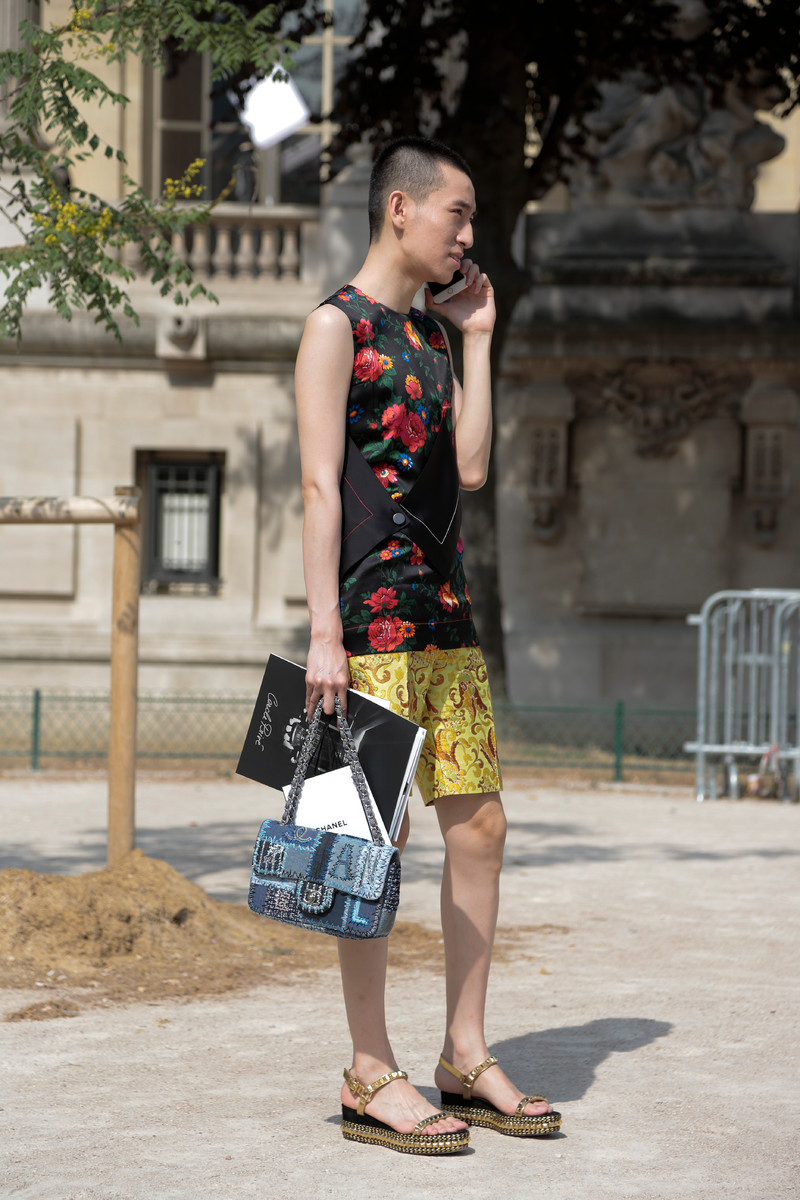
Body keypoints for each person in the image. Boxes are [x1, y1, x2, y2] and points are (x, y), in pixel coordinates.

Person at [294, 136, 560, 1154]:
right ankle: (369, 1070)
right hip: (365, 624)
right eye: (458, 212)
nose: (468, 233)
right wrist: (323, 632)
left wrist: (478, 336)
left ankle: (463, 1051)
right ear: (399, 209)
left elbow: (473, 469)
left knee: (480, 826)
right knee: (368, 841)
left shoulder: (430, 337)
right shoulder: (336, 327)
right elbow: (318, 486)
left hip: (445, 615)